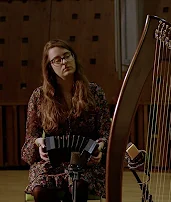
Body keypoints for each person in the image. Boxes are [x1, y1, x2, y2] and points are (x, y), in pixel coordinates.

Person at [21, 39, 111, 202]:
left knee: (79, 186)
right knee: (41, 191)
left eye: (67, 56)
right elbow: (31, 136)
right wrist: (38, 143)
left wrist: (100, 147)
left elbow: (106, 130)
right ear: (49, 67)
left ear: (74, 58)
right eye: (57, 60)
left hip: (84, 163)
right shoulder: (39, 97)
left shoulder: (95, 92)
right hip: (50, 164)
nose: (64, 62)